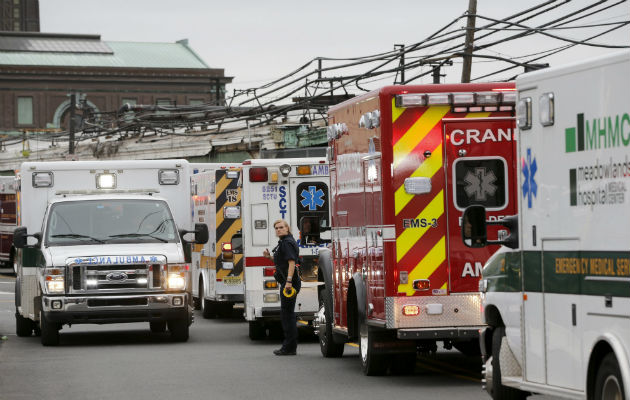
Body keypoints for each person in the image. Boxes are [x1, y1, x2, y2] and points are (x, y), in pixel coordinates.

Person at [263, 219, 301, 356]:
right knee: (287, 313)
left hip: (289, 283)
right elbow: (282, 262)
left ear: (287, 228)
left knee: (287, 315)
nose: (278, 230)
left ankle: (289, 347)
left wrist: (289, 282)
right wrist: (270, 258)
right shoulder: (285, 242)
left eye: (281, 227)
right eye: (276, 228)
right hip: (287, 282)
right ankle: (290, 346)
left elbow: (291, 263)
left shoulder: (287, 243)